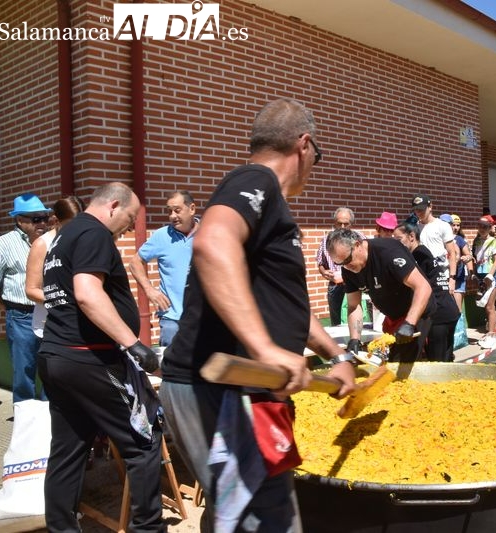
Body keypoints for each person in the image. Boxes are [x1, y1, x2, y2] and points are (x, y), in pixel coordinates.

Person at [159, 98, 356, 532]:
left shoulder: (268, 204)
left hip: (243, 386)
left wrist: (336, 356)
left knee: (235, 516)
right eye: (317, 157)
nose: (315, 166)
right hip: (226, 386)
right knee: (267, 520)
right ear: (303, 145)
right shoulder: (256, 180)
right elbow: (213, 242)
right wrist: (266, 349)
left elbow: (284, 307)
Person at [37, 182, 164, 532]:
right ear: (112, 205)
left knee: (69, 451)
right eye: (130, 216)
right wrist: (134, 345)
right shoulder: (94, 233)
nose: (129, 225)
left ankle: (61, 528)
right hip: (89, 357)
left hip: (56, 357)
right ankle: (148, 528)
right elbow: (88, 294)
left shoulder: (63, 237)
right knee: (144, 438)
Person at [328, 228, 434, 363]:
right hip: (393, 316)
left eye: (348, 260)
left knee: (401, 364)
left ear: (357, 245)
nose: (347, 267)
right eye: (340, 264)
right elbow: (354, 305)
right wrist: (355, 339)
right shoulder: (348, 269)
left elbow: (423, 287)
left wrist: (409, 323)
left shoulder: (388, 252)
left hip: (418, 310)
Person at [0, 193, 51, 402]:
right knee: (24, 372)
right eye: (36, 218)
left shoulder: (50, 241)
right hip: (21, 316)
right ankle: (25, 422)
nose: (43, 223)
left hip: (49, 314)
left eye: (45, 217)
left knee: (51, 369)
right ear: (20, 220)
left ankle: (49, 419)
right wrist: (6, 306)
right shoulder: (4, 243)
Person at [129, 191, 199, 347]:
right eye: (169, 211)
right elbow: (135, 262)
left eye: (177, 210)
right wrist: (149, 290)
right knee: (172, 367)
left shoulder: (209, 232)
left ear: (192, 208)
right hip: (172, 320)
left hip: (202, 319)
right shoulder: (162, 236)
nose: (172, 216)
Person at [393, 222, 460, 362]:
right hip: (448, 310)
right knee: (446, 360)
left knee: (437, 363)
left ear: (412, 236)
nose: (396, 243)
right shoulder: (423, 252)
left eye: (398, 239)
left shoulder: (418, 255)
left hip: (439, 314)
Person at [25, 196, 85, 338]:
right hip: (50, 323)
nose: (76, 229)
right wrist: (64, 300)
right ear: (56, 220)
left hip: (78, 322)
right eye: (70, 225)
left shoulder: (81, 240)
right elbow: (31, 290)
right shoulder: (42, 244)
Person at [316, 207, 356, 326]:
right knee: (337, 321)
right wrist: (323, 272)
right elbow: (320, 263)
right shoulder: (326, 240)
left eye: (346, 224)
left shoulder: (358, 238)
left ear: (352, 224)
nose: (342, 227)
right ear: (334, 223)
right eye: (339, 223)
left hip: (356, 284)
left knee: (357, 318)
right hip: (335, 286)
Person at [411, 194, 458, 294]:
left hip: (441, 273)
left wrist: (452, 278)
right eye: (416, 210)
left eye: (421, 209)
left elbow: (451, 253)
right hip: (422, 274)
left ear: (430, 207)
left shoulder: (442, 225)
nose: (418, 212)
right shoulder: (414, 228)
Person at [471, 216, 496, 349]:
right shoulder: (476, 241)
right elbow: (476, 258)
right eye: (480, 226)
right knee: (486, 306)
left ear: (490, 228)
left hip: (493, 276)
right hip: (481, 276)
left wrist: (490, 274)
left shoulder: (494, 241)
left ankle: (492, 334)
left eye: (485, 226)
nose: (482, 229)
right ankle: (490, 332)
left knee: (490, 306)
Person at [440, 213, 473, 311]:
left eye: (456, 225)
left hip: (458, 276)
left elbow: (469, 255)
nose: (455, 227)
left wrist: (466, 260)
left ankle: (459, 327)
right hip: (442, 277)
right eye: (453, 225)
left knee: (457, 309)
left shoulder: (458, 239)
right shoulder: (437, 238)